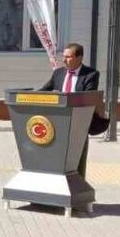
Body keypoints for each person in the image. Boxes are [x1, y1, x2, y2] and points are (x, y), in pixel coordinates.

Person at [38, 43, 100, 179]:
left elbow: (87, 98)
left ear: (79, 58)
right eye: (63, 57)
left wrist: (63, 97)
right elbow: (44, 91)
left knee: (77, 162)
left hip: (78, 126)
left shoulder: (91, 74)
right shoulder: (58, 73)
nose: (64, 60)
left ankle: (77, 191)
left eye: (68, 57)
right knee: (58, 161)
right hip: (57, 124)